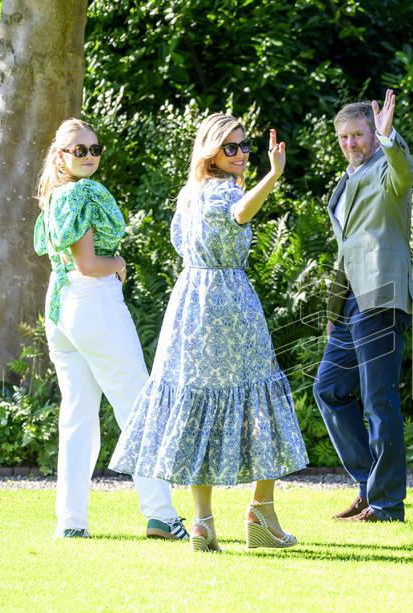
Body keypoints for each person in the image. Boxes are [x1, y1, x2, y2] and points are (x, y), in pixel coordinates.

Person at [110, 113, 308, 552]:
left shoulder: (189, 194)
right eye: (230, 148)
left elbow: (182, 243)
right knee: (259, 397)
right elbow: (240, 212)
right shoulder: (223, 193)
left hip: (189, 303)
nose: (240, 154)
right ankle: (261, 513)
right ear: (211, 152)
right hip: (228, 301)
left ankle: (202, 522)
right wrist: (273, 176)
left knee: (199, 399)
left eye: (243, 146)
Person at [33, 118, 187, 540]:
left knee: (79, 416)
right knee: (138, 406)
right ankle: (160, 513)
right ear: (61, 156)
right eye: (78, 150)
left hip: (60, 308)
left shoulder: (54, 195)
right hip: (92, 301)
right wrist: (118, 264)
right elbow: (88, 264)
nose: (88, 156)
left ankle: (71, 522)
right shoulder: (81, 193)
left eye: (94, 149)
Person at [313, 89, 413, 522]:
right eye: (344, 137)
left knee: (378, 400)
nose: (352, 143)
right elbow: (346, 248)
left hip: (381, 295)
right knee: (329, 389)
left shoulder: (387, 172)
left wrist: (390, 136)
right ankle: (368, 484)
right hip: (349, 302)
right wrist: (333, 310)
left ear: (373, 135)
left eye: (359, 135)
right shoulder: (347, 179)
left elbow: (406, 173)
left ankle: (387, 503)